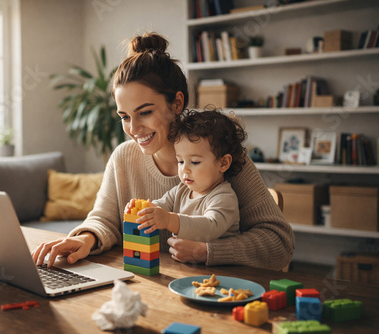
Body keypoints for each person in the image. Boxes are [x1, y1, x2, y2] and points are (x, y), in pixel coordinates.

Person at [32, 32, 294, 270]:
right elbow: (105, 220)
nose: (134, 129)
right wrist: (86, 239)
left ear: (177, 103)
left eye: (145, 112)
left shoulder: (221, 155)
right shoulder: (123, 157)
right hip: (149, 292)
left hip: (214, 295)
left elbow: (279, 243)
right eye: (124, 116)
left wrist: (209, 251)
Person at [127, 109, 246, 242]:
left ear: (223, 163)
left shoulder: (224, 197)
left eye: (195, 162)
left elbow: (210, 227)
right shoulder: (181, 190)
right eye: (180, 161)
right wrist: (143, 210)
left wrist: (169, 220)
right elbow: (160, 206)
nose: (185, 169)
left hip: (220, 262)